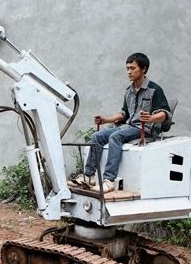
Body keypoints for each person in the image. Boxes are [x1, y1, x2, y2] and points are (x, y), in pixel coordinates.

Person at [72, 53, 171, 193]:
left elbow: (165, 114)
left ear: (143, 69)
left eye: (132, 68)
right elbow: (124, 114)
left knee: (115, 137)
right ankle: (88, 176)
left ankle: (109, 180)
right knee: (97, 136)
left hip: (146, 129)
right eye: (127, 68)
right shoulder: (129, 91)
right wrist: (106, 119)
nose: (129, 72)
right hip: (130, 126)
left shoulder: (155, 90)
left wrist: (150, 118)